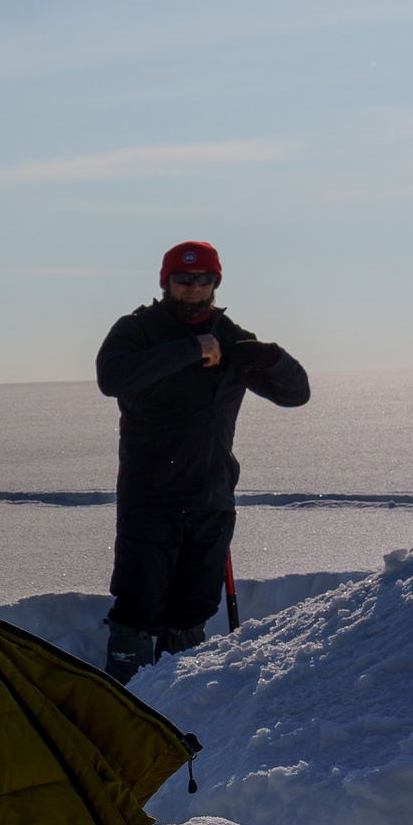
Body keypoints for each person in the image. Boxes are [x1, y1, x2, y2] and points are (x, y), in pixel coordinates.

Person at [95, 242, 310, 684]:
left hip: (211, 499)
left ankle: (181, 708)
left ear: (216, 282)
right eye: (183, 278)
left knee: (190, 615)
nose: (193, 288)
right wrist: (190, 350)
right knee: (138, 610)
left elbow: (297, 394)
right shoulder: (139, 330)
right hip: (151, 499)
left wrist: (271, 357)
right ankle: (122, 709)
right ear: (165, 281)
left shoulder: (230, 337)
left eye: (203, 279)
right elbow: (111, 377)